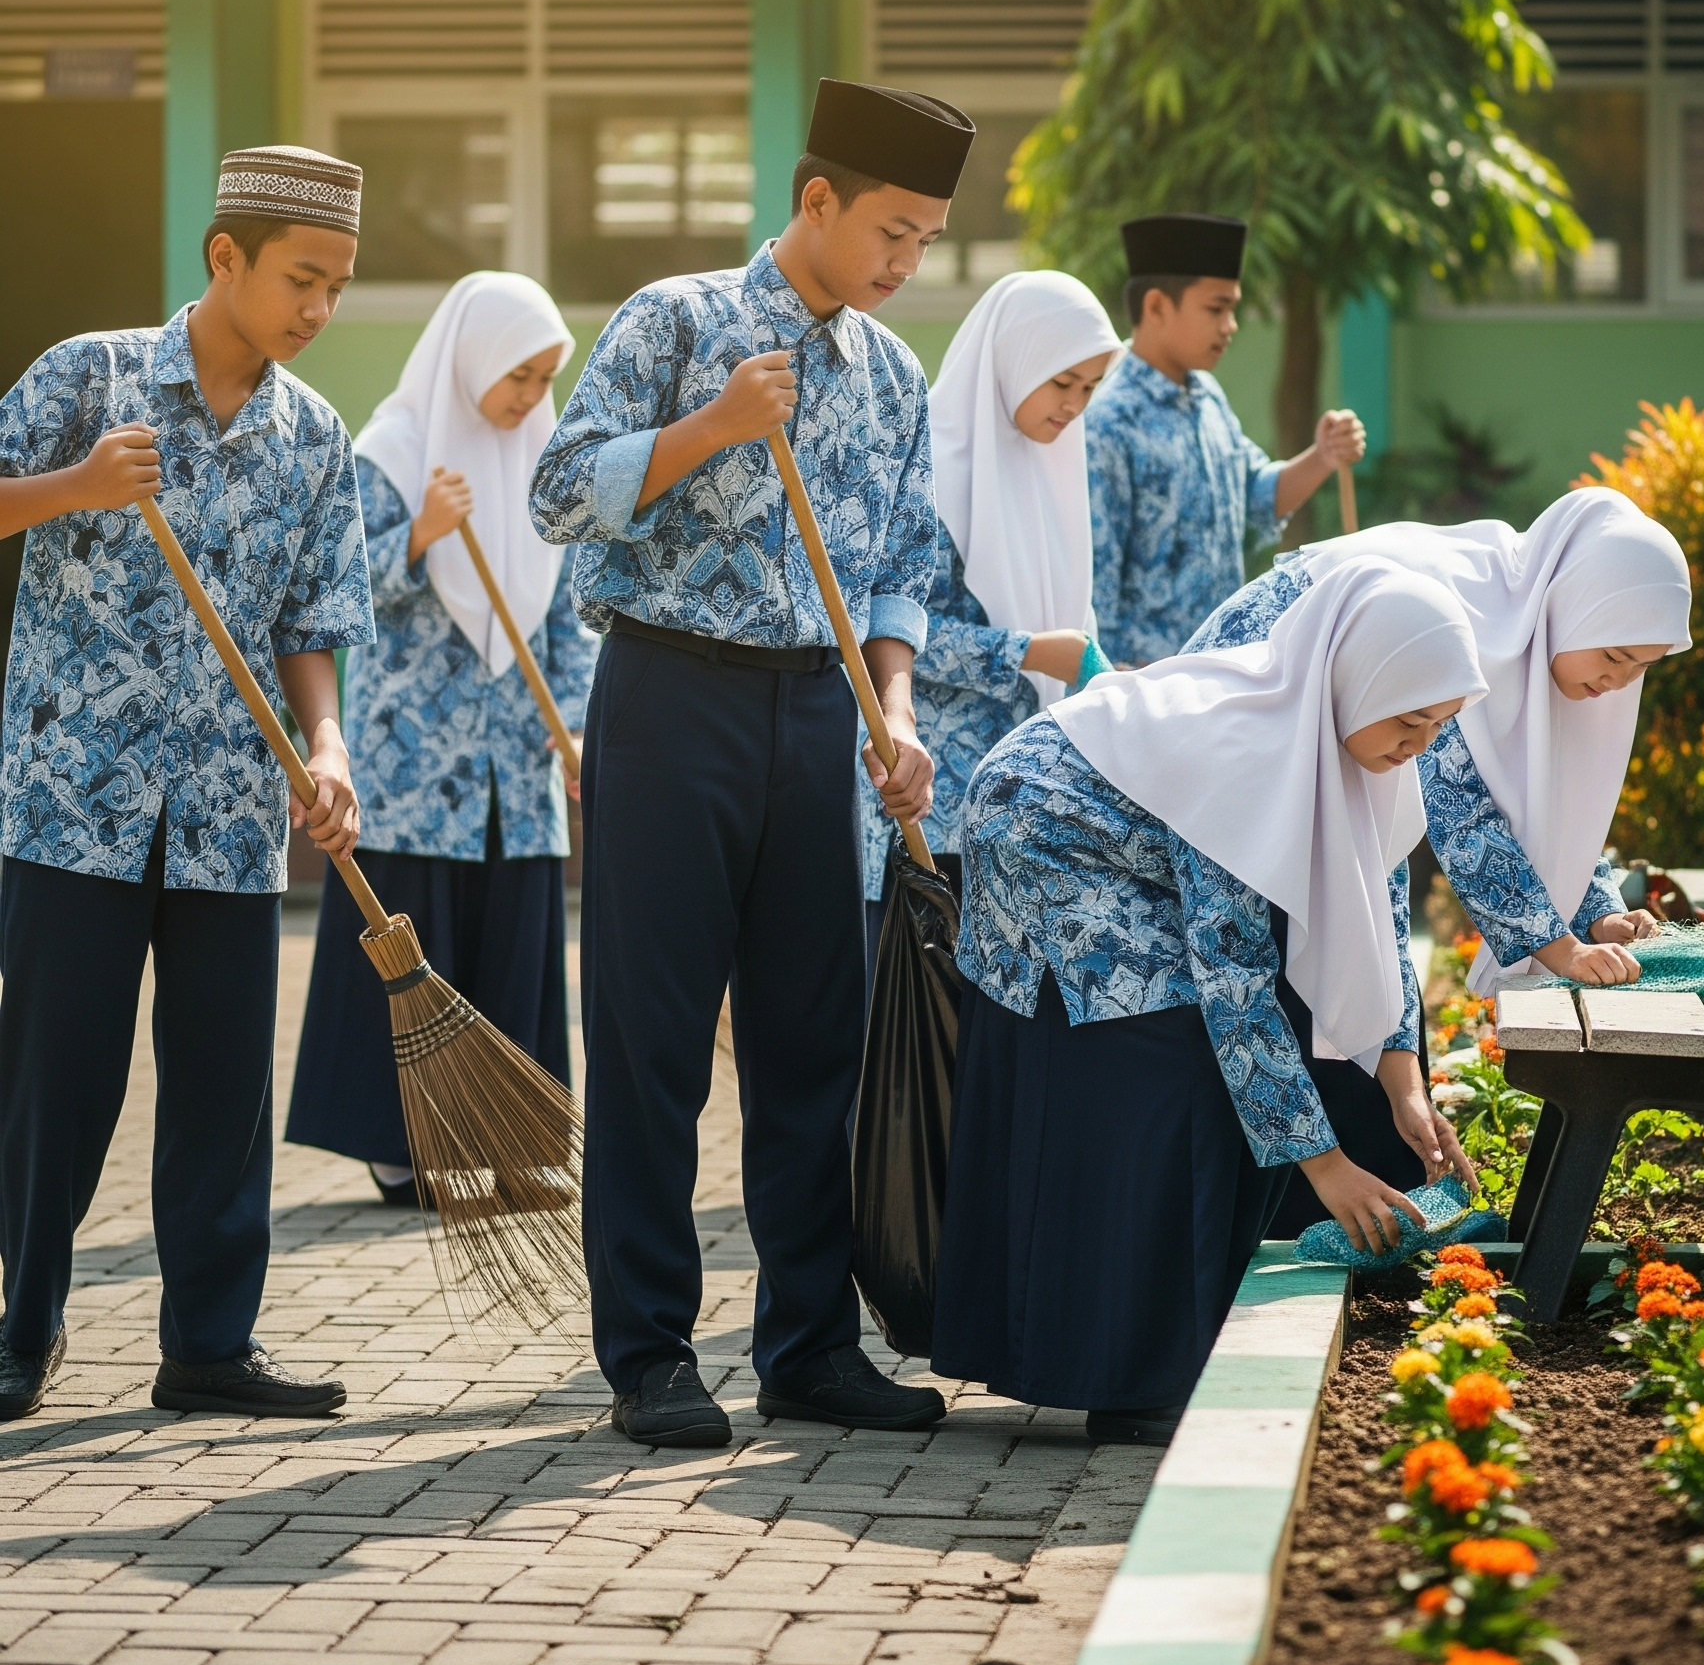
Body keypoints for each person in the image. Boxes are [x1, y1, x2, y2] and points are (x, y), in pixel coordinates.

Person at [531, 80, 971, 1448]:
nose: (905, 266)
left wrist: (893, 714)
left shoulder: (895, 379)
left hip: (821, 726)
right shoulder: (675, 321)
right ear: (817, 199)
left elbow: (899, 570)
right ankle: (651, 1354)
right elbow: (558, 489)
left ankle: (808, 1346)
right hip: (668, 703)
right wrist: (711, 427)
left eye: (927, 243)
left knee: (813, 1049)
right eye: (891, 232)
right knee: (654, 1043)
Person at [931, 558, 1485, 1445]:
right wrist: (1325, 1164)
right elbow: (1231, 975)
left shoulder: (1354, 743)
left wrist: (1401, 1074)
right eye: (1410, 716)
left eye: (1441, 724)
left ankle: (1193, 1331)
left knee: (1258, 1045)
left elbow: (1372, 920)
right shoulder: (1253, 745)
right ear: (1353, 679)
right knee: (1178, 1049)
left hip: (1120, 844)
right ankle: (1132, 1377)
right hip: (1043, 835)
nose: (1420, 741)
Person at [0, 146, 374, 1423]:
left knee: (223, 1083)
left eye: (337, 286)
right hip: (70, 803)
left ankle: (210, 1344)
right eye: (301, 279)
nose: (319, 310)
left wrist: (325, 750)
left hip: (229, 810)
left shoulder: (315, 437)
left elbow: (312, 623)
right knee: (57, 1080)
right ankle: (19, 1330)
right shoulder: (88, 375)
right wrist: (79, 487)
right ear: (226, 257)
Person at [1184, 487, 1693, 1234]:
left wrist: (1598, 914)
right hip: (1257, 758)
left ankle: (1369, 1193)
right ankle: (1307, 1213)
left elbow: (1553, 798)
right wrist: (1561, 949)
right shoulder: (1463, 619)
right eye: (1615, 654)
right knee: (1289, 965)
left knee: (1365, 955)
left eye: (1641, 667)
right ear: (1573, 603)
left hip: (1335, 779)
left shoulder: (1529, 616)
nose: (1619, 681)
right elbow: (1459, 805)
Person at [287, 273, 597, 1205]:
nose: (531, 399)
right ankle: (398, 1146)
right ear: (471, 361)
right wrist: (420, 535)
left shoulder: (542, 464)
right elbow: (336, 596)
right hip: (416, 760)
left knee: (514, 936)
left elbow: (564, 619)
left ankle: (514, 1139)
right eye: (519, 377)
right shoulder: (386, 458)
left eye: (545, 379)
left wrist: (576, 725)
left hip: (516, 761)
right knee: (414, 940)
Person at [858, 269, 1121, 953]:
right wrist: (1026, 652)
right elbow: (891, 624)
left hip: (1022, 802)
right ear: (1014, 359)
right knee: (922, 1024)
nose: (1074, 406)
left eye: (1089, 389)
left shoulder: (1054, 470)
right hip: (929, 802)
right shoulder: (932, 467)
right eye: (1062, 383)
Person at [1086, 212, 1367, 668]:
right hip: (1148, 681)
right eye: (1216, 309)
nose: (1231, 325)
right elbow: (1095, 583)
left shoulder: (1207, 396)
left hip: (1221, 667)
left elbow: (1256, 496)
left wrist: (1323, 456)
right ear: (1157, 307)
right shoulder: (1108, 420)